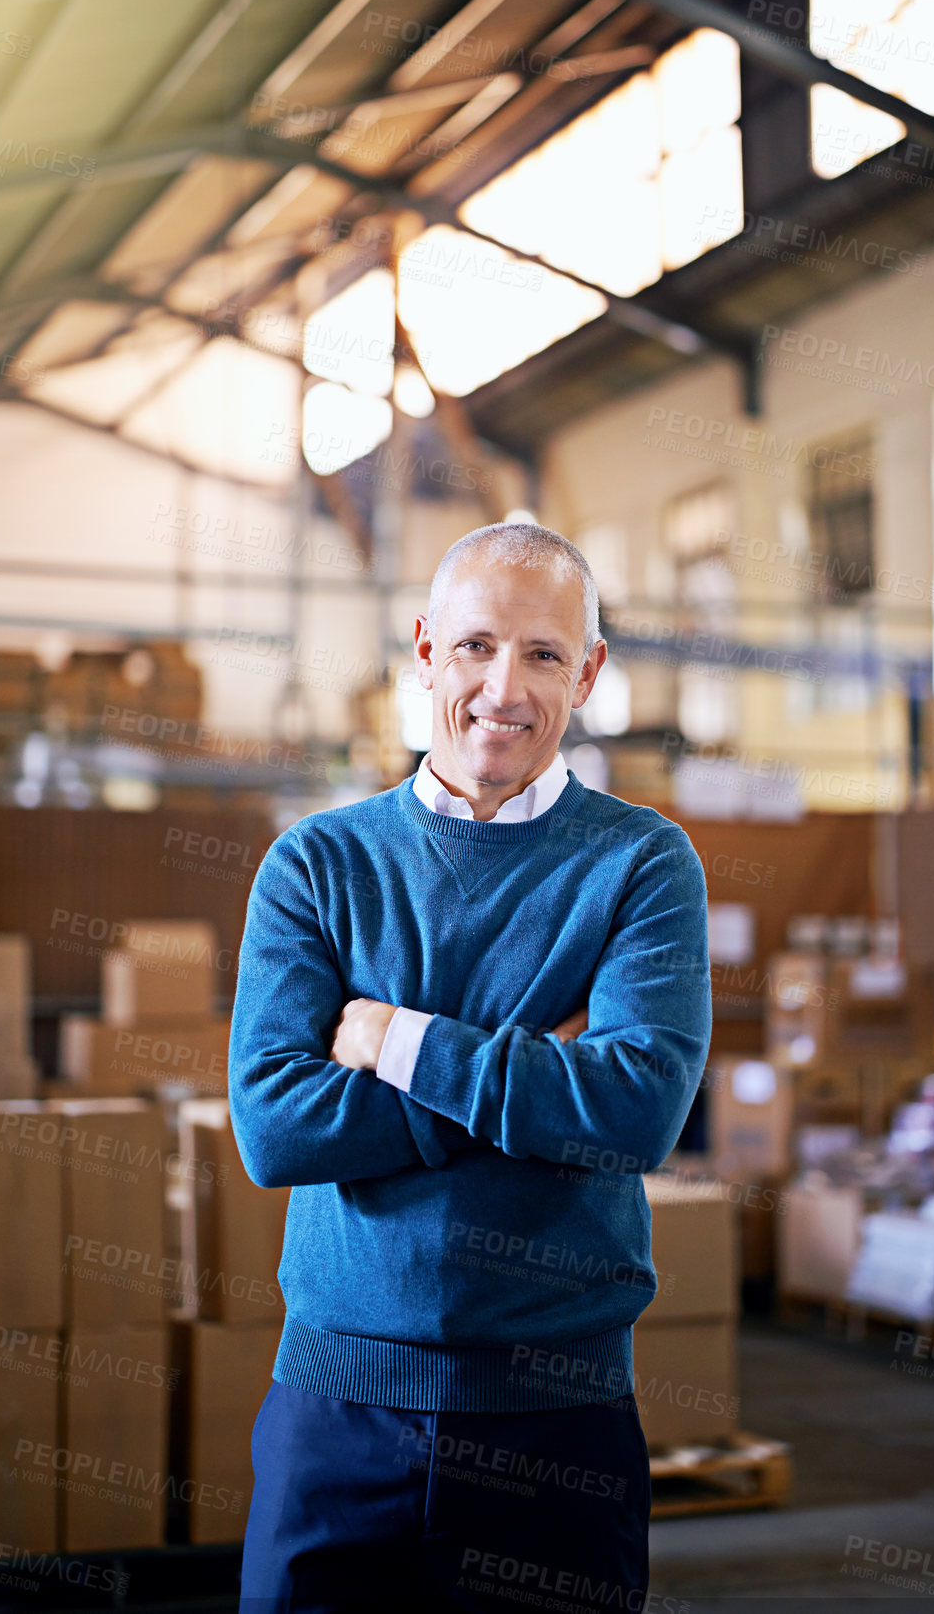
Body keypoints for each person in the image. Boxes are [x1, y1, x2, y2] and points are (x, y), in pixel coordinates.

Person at [230, 521, 711, 1613]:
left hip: (558, 1414)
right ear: (424, 651)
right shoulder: (319, 863)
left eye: (544, 654)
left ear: (587, 672)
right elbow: (275, 1126)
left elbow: (634, 1113)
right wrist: (533, 1074)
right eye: (477, 646)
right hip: (336, 1413)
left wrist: (398, 1044)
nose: (506, 687)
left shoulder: (641, 863)